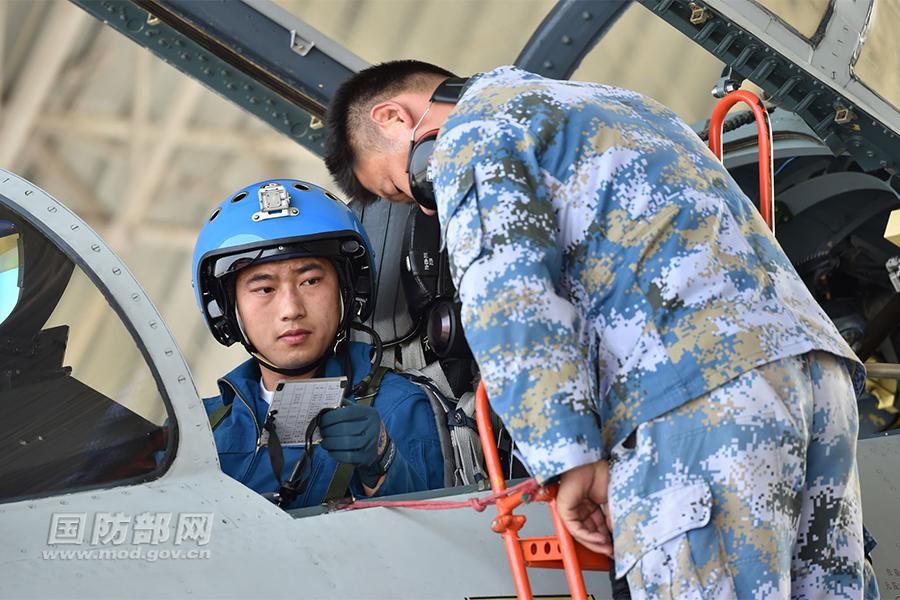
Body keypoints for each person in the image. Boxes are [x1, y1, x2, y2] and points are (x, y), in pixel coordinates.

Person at [324, 60, 878, 597]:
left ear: (394, 119)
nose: (426, 209)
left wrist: (567, 458)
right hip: (817, 377)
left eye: (407, 187)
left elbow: (510, 300)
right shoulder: (623, 102)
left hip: (698, 398)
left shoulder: (477, 128)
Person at [191, 179, 445, 510]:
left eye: (310, 281)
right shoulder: (196, 430)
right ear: (227, 307)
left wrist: (384, 462)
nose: (291, 310)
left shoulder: (398, 407)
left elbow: (432, 542)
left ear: (346, 289)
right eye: (264, 289)